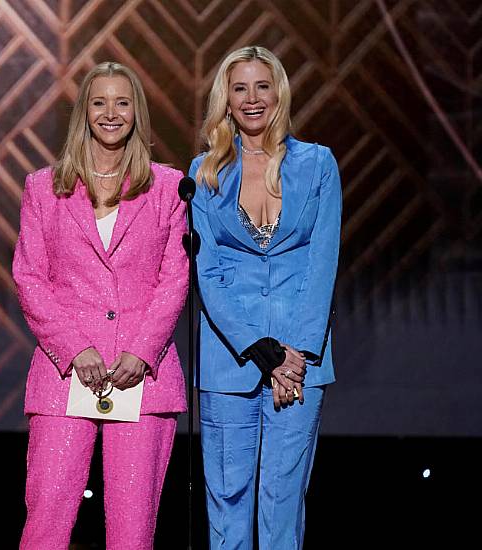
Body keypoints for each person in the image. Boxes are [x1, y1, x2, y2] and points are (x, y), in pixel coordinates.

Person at [12, 61, 188, 550]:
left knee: (133, 534)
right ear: (84, 112)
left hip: (143, 377)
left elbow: (174, 279)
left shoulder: (168, 188)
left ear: (137, 112)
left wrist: (140, 351)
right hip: (64, 374)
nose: (111, 113)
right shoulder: (44, 188)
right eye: (99, 102)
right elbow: (30, 278)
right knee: (46, 523)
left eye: (123, 102)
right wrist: (75, 349)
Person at [189, 46, 341, 549]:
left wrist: (292, 357)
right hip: (229, 362)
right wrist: (261, 350)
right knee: (228, 505)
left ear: (279, 93)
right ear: (225, 101)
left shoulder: (317, 164)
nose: (252, 99)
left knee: (282, 504)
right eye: (240, 88)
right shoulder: (204, 172)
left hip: (300, 364)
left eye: (262, 86)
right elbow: (206, 271)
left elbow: (323, 263)